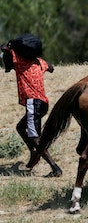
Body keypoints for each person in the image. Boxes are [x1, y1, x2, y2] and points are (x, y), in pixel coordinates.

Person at [1, 37, 62, 177]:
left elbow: (3, 48)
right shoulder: (39, 62)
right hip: (43, 103)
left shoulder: (20, 61)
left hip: (33, 103)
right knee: (21, 127)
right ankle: (34, 152)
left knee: (34, 137)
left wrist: (12, 44)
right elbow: (51, 67)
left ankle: (55, 167)